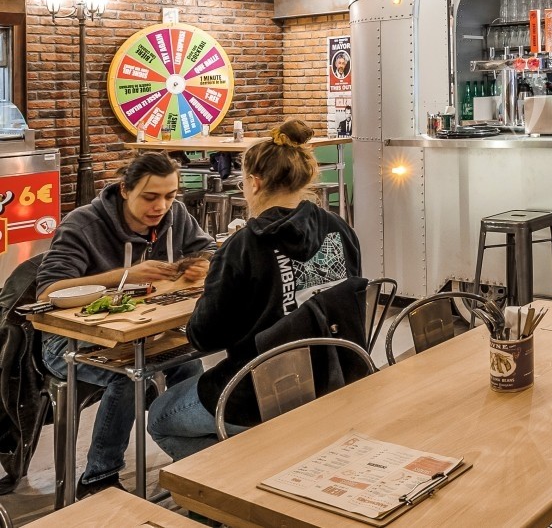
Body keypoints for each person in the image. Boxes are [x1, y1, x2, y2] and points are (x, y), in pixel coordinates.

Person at [148, 119, 362, 461]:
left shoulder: (244, 245)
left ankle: (239, 478)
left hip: (261, 391)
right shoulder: (339, 228)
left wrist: (207, 293)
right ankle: (262, 465)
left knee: (161, 417)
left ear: (255, 182)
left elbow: (205, 337)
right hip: (339, 375)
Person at [36, 152, 213, 498]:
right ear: (125, 189)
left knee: (187, 358)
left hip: (141, 330)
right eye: (150, 197)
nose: (161, 206)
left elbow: (207, 249)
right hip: (66, 340)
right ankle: (98, 478)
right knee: (129, 374)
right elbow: (48, 291)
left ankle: (193, 458)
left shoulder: (175, 214)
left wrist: (201, 263)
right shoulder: (83, 225)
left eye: (170, 195)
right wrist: (124, 276)